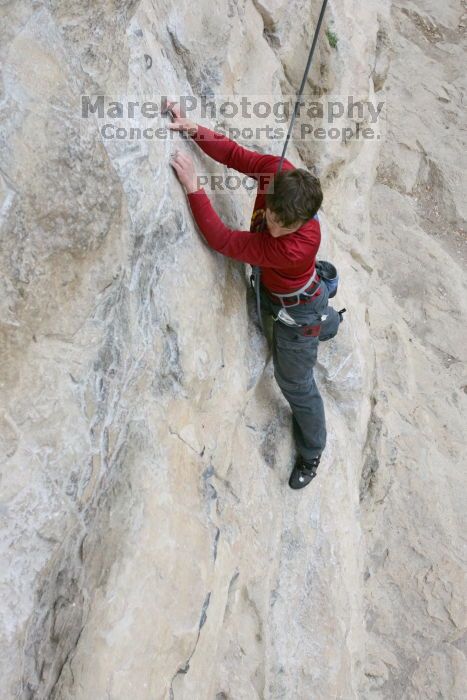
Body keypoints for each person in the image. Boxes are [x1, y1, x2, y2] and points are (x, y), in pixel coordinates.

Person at [167, 101, 341, 490]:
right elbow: (233, 154)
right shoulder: (278, 172)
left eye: (283, 223)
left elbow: (223, 240)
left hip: (296, 311)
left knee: (293, 380)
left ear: (304, 222)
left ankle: (312, 451)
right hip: (279, 290)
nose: (273, 225)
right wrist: (193, 129)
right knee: (278, 319)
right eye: (273, 215)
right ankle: (328, 320)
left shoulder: (293, 246)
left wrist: (194, 186)